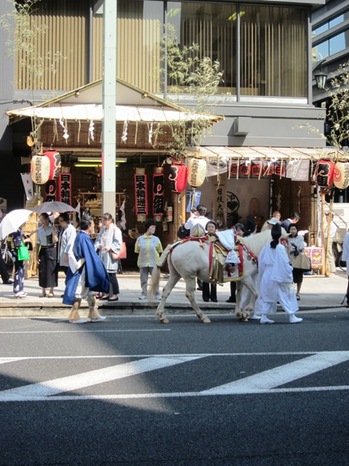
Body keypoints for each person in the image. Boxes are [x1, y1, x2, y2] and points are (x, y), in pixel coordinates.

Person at [63, 216, 109, 324]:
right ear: (88, 226)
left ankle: (93, 314)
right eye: (92, 224)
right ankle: (74, 315)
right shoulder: (84, 237)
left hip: (85, 266)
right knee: (79, 291)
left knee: (91, 292)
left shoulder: (81, 236)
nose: (94, 226)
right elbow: (90, 255)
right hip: (83, 268)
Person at [256, 223, 302, 324]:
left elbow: (261, 260)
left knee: (267, 295)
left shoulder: (267, 246)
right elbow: (284, 262)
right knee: (285, 295)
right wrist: (289, 273)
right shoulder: (280, 248)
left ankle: (264, 316)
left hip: (267, 274)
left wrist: (262, 273)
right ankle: (291, 315)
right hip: (277, 274)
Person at [95, 212, 122, 301]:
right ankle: (105, 292)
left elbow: (118, 243)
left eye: (105, 220)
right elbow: (98, 240)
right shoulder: (103, 230)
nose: (104, 221)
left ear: (110, 220)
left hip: (110, 255)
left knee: (111, 275)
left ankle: (114, 294)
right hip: (103, 254)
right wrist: (98, 245)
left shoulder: (115, 230)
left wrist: (110, 247)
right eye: (103, 219)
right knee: (103, 275)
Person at [134, 218, 163, 301]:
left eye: (154, 227)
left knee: (155, 280)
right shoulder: (140, 239)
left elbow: (160, 250)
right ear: (147, 228)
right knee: (143, 280)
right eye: (152, 227)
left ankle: (157, 294)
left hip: (154, 263)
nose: (154, 229)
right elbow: (137, 250)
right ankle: (143, 294)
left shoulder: (156, 239)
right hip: (143, 262)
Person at [36, 213, 58, 297]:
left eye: (43, 219)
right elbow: (37, 243)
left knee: (51, 270)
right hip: (43, 249)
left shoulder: (52, 228)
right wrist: (36, 255)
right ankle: (43, 290)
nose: (41, 221)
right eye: (40, 220)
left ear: (47, 219)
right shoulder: (39, 229)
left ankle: (51, 290)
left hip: (51, 249)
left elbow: (55, 241)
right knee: (42, 270)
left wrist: (53, 233)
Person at [226, 223, 245, 303]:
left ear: (243, 232)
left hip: (243, 262)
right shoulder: (232, 240)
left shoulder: (245, 240)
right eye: (236, 230)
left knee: (242, 282)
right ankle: (232, 296)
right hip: (234, 261)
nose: (237, 232)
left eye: (239, 230)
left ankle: (241, 297)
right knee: (233, 280)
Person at [7, 228, 27, 298]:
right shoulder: (17, 231)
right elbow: (17, 243)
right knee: (19, 269)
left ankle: (18, 289)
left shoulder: (11, 230)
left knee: (19, 269)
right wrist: (25, 240)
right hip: (17, 252)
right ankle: (18, 290)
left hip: (12, 251)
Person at [288, 224, 305, 300]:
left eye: (294, 229)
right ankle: (292, 292)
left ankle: (298, 293)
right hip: (290, 260)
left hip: (298, 260)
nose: (293, 231)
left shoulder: (300, 238)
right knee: (291, 278)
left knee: (299, 277)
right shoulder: (287, 239)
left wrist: (295, 248)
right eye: (291, 229)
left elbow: (302, 247)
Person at [202, 220, 218, 302]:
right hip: (205, 259)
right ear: (206, 228)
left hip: (215, 259)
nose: (210, 228)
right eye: (209, 227)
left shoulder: (218, 237)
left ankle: (214, 297)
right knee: (205, 277)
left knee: (214, 278)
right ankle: (205, 296)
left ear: (215, 228)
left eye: (212, 227)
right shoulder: (203, 237)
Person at [341, 229, 349, 307]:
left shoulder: (347, 235)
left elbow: (345, 248)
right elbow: (346, 248)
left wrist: (344, 259)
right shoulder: (347, 235)